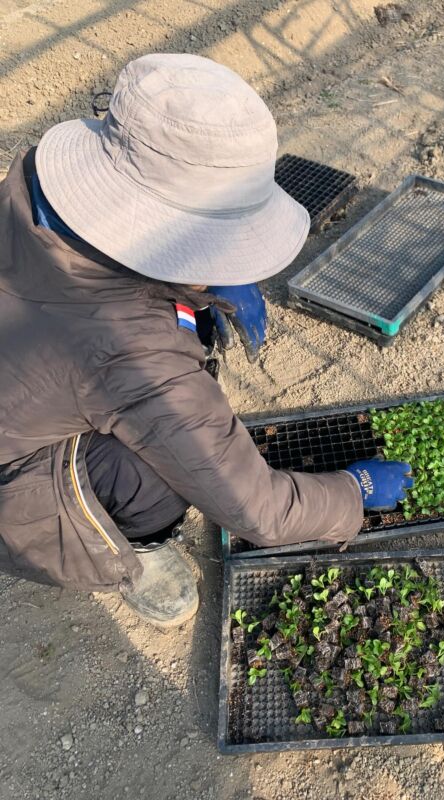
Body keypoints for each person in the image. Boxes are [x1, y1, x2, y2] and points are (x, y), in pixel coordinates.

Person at [0, 54, 413, 628]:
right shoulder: (132, 353)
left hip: (27, 385)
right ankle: (135, 549)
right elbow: (257, 510)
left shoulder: (30, 186)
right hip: (12, 477)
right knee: (155, 479)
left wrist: (204, 278)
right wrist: (352, 489)